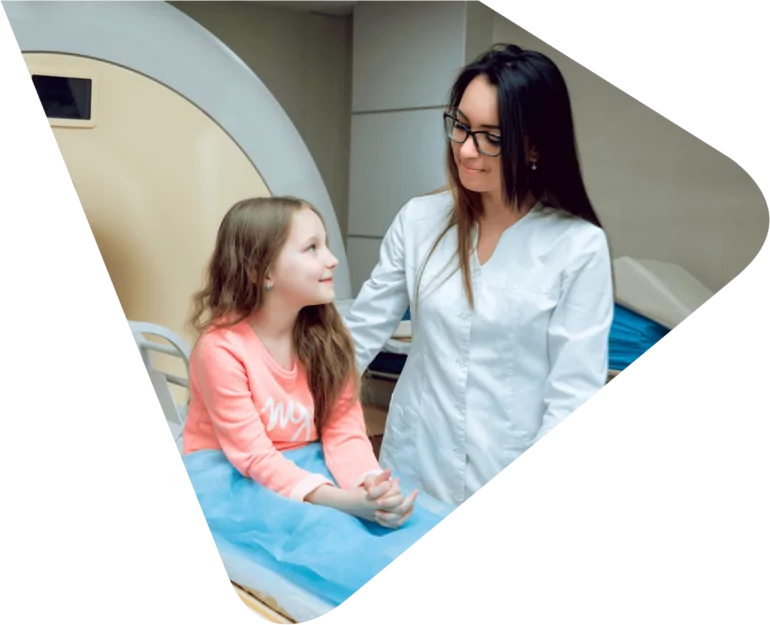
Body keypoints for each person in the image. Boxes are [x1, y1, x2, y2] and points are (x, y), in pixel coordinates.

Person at [343, 43, 615, 507]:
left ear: (534, 145)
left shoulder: (577, 246)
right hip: (410, 467)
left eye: (491, 136)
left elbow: (573, 397)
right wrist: (284, 403)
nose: (467, 150)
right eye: (461, 126)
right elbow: (359, 334)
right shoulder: (420, 220)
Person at [179, 196, 456, 609]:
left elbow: (343, 431)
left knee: (407, 524)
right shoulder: (221, 349)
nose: (332, 259)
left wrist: (368, 486)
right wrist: (344, 502)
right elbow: (254, 458)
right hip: (234, 475)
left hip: (309, 462)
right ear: (261, 271)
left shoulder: (326, 337)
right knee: (334, 538)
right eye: (312, 248)